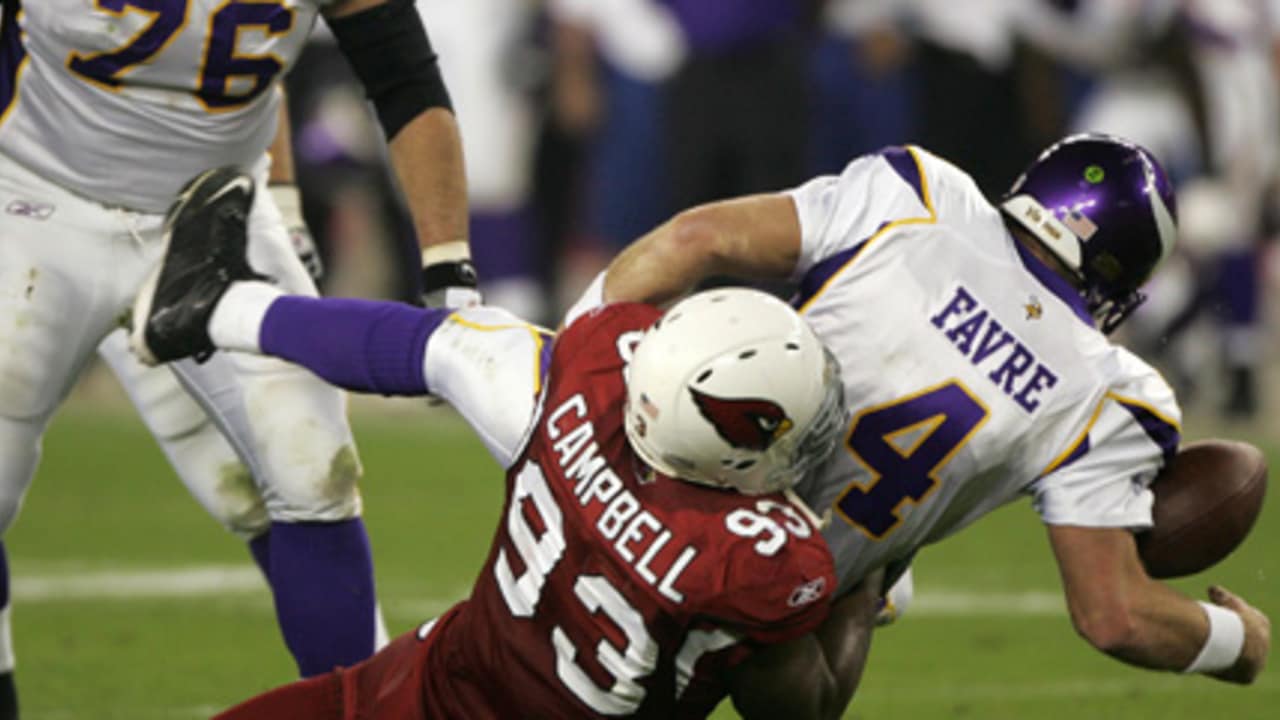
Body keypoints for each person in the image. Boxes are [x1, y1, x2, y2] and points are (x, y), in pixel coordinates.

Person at [130, 167, 882, 719]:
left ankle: (223, 305)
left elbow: (616, 300)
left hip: (420, 691)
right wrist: (870, 574)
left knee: (471, 342)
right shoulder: (759, 559)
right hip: (475, 688)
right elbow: (800, 712)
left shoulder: (593, 379)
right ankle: (219, 303)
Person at [591, 133, 1270, 684]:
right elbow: (1114, 615)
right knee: (835, 624)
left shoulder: (918, 192)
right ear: (1121, 269)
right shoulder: (1107, 392)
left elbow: (693, 239)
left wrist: (578, 368)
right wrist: (1240, 642)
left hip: (621, 512)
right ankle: (876, 574)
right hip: (747, 619)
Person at [0, 0, 477, 713]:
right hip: (35, 203)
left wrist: (449, 270)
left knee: (310, 465)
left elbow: (402, 79)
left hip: (211, 215)